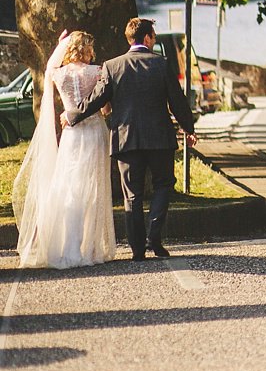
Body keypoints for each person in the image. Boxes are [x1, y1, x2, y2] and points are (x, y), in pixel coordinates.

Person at [63, 18, 198, 259]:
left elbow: (96, 98)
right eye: (154, 37)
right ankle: (153, 237)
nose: (154, 41)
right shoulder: (161, 63)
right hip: (159, 138)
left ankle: (137, 250)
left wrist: (72, 115)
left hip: (125, 138)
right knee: (164, 184)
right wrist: (189, 128)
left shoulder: (112, 66)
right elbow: (176, 100)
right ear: (146, 38)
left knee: (132, 194)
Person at [14, 31, 117, 269]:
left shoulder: (58, 74)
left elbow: (50, 65)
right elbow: (105, 109)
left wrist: (59, 45)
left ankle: (68, 246)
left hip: (71, 136)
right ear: (87, 49)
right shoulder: (98, 72)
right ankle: (89, 248)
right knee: (94, 189)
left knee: (70, 189)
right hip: (94, 134)